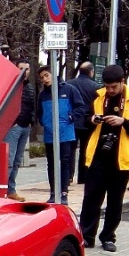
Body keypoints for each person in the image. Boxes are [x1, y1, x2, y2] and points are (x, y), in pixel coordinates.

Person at [78, 64, 129, 252]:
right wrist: (93, 119)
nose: (110, 90)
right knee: (91, 198)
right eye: (107, 86)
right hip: (98, 155)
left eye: (114, 87)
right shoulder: (98, 96)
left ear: (122, 82)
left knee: (115, 200)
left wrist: (123, 122)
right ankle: (86, 236)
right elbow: (84, 119)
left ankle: (108, 237)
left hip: (121, 158)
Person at [37, 67, 86, 205]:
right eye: (42, 77)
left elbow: (80, 107)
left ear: (53, 74)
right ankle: (53, 192)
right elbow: (40, 112)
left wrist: (70, 117)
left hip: (65, 133)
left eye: (46, 75)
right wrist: (45, 122)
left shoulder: (69, 90)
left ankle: (63, 192)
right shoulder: (43, 94)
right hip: (49, 134)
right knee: (51, 164)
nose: (44, 79)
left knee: (64, 162)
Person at [1, 63, 34, 201]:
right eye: (21, 68)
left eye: (27, 69)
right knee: (8, 160)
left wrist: (32, 120)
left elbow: (32, 105)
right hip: (14, 128)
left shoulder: (30, 88)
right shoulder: (10, 86)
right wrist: (10, 121)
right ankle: (3, 191)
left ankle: (11, 190)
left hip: (25, 127)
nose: (24, 72)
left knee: (16, 161)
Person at [68, 62, 101, 184]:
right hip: (88, 122)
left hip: (72, 121)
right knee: (85, 150)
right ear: (91, 72)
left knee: (70, 150)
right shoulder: (95, 86)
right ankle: (83, 176)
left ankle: (68, 176)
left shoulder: (69, 84)